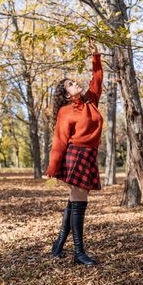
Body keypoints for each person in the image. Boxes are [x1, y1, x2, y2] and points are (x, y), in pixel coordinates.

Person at [46, 39, 103, 266]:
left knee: (74, 202)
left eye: (74, 81)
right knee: (79, 203)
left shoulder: (91, 101)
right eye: (70, 84)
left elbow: (97, 80)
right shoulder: (66, 111)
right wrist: (52, 168)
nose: (75, 83)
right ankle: (79, 253)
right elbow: (59, 140)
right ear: (66, 94)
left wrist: (96, 57)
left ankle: (59, 244)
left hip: (89, 155)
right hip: (74, 156)